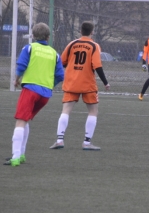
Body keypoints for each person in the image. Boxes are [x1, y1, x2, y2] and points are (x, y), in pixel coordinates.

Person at [4, 23, 64, 166]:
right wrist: (49, 84)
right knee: (25, 120)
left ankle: (16, 157)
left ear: (33, 36)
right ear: (48, 37)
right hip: (45, 95)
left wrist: (16, 80)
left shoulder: (29, 48)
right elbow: (60, 75)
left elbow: (22, 66)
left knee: (20, 120)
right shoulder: (55, 54)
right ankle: (21, 154)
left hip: (30, 89)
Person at [49, 21, 110, 151]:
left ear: (80, 31)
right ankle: (86, 143)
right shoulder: (94, 46)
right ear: (92, 32)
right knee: (93, 111)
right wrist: (105, 82)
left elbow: (62, 62)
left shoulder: (72, 44)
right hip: (88, 84)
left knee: (66, 110)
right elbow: (97, 66)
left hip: (71, 82)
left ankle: (59, 140)